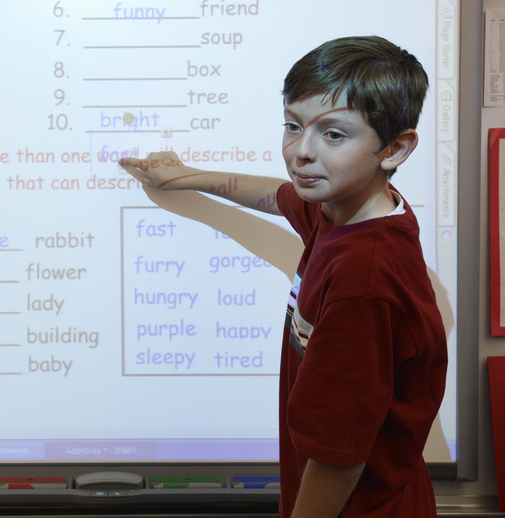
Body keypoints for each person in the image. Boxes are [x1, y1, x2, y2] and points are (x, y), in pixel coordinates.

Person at [120, 36, 447, 517]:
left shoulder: (364, 282)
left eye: (333, 134)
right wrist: (185, 176)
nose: (300, 152)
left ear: (395, 148)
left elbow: (338, 459)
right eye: (293, 126)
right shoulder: (346, 210)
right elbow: (275, 197)